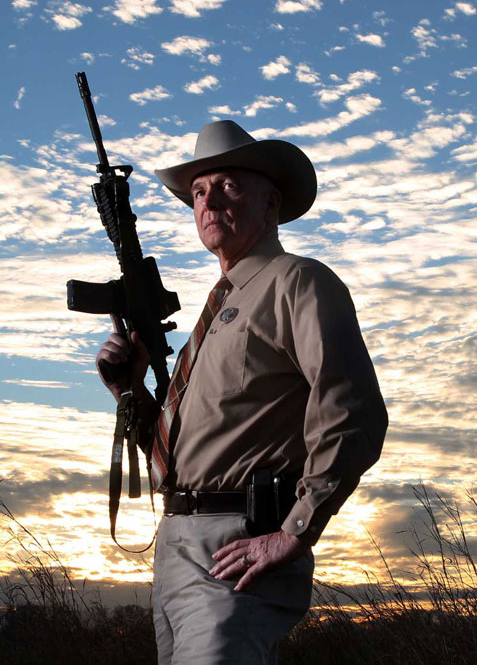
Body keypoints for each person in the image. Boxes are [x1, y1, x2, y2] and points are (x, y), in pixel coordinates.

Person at [96, 120, 388, 665]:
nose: (209, 202)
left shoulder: (297, 281)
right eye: (199, 192)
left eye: (228, 186)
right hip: (175, 544)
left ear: (271, 203)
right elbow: (179, 458)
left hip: (239, 541)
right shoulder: (215, 313)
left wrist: (295, 530)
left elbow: (355, 413)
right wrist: (129, 391)